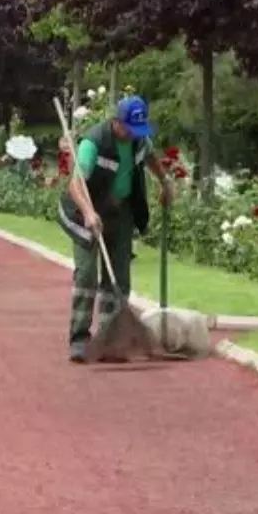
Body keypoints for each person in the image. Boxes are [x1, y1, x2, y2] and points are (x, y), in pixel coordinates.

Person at [58, 95, 173, 363]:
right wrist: (88, 212)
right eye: (130, 128)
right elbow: (75, 185)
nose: (135, 134)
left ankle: (110, 340)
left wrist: (164, 182)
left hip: (120, 212)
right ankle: (80, 339)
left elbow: (151, 157)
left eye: (139, 129)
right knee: (86, 275)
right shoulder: (93, 143)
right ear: (116, 122)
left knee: (119, 280)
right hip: (84, 211)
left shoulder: (139, 141)